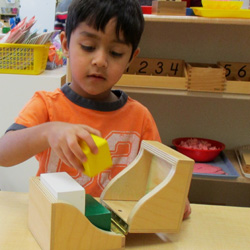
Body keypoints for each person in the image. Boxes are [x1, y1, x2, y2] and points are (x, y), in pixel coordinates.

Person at [0, 0, 191, 219]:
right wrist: (48, 132)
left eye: (116, 52)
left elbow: (160, 173)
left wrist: (173, 194)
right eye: (88, 47)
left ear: (131, 58)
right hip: (53, 223)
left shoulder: (140, 118)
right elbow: (3, 154)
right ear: (65, 44)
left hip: (114, 229)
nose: (100, 61)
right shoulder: (47, 105)